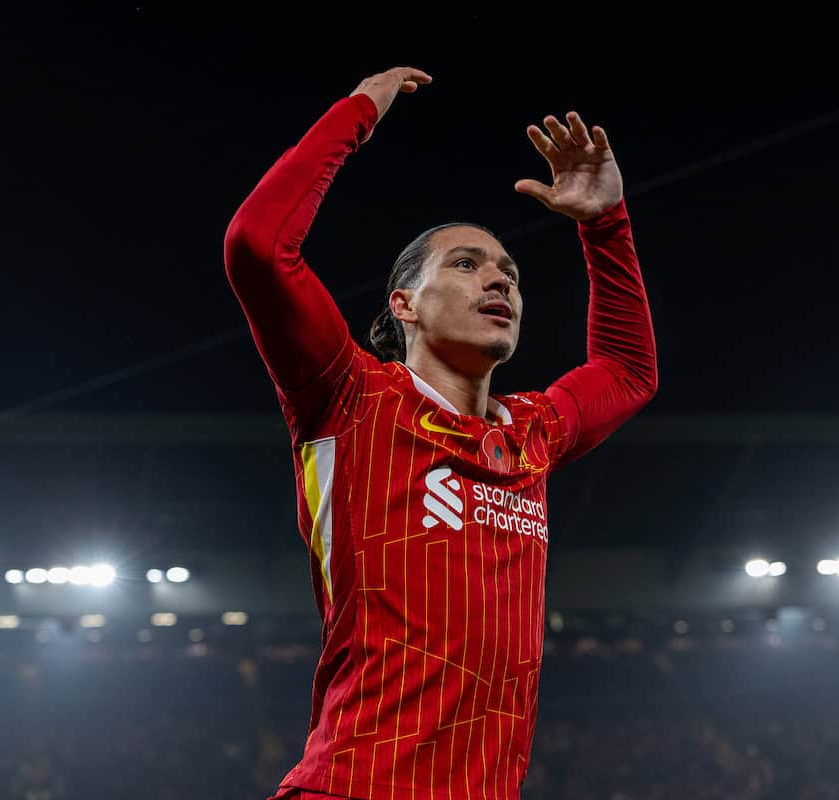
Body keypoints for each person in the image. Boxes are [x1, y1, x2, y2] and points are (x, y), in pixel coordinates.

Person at [224, 66, 657, 800]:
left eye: (510, 272)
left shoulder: (533, 432)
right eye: (467, 264)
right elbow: (258, 246)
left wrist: (605, 226)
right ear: (405, 305)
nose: (500, 282)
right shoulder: (352, 397)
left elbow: (626, 369)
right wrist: (358, 112)